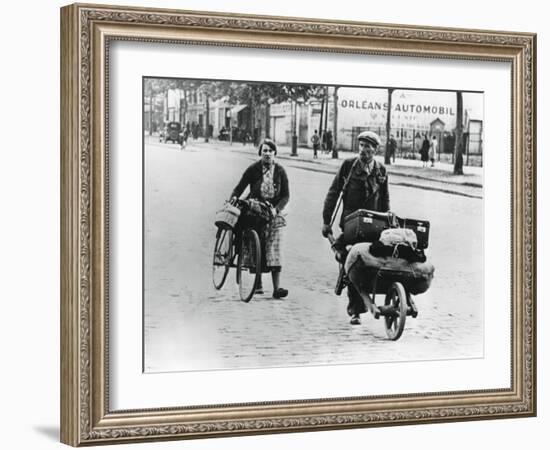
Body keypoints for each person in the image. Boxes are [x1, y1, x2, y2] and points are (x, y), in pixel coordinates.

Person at [321, 130, 390, 325]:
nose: (363, 150)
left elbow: (385, 200)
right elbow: (333, 193)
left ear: (375, 150)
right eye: (361, 146)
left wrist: (387, 224)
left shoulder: (381, 170)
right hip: (351, 224)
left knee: (377, 259)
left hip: (374, 225)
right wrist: (327, 221)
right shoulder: (348, 166)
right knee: (352, 260)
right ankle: (355, 310)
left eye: (368, 147)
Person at [230, 138, 290, 299]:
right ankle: (258, 283)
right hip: (255, 210)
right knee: (256, 244)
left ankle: (277, 288)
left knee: (275, 247)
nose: (268, 154)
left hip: (274, 212)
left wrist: (277, 209)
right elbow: (240, 187)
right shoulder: (253, 169)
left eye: (271, 151)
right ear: (260, 153)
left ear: (275, 153)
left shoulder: (280, 171)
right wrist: (233, 198)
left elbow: (285, 195)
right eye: (265, 151)